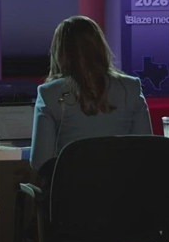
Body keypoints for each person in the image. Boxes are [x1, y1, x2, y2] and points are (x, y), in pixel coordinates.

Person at [29, 14, 153, 179]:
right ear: (100, 47)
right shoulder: (131, 88)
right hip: (124, 198)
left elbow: (40, 163)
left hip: (70, 199)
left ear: (59, 52)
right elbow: (146, 150)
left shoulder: (49, 93)